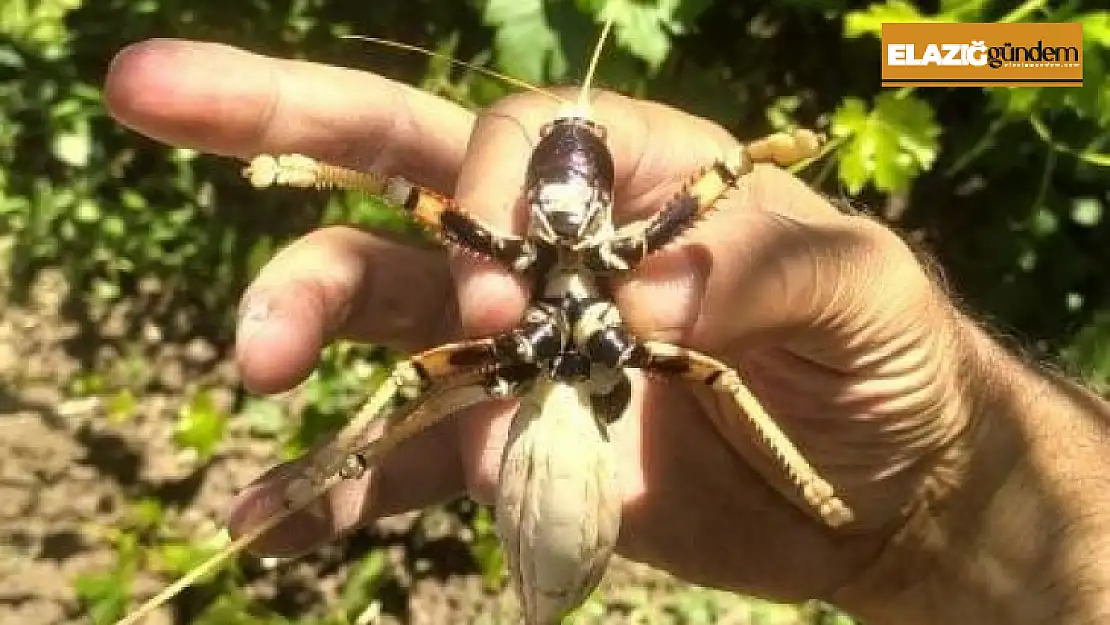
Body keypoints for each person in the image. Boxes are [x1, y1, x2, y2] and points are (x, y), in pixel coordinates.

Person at [104, 39, 1110, 625]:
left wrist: (946, 495)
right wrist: (952, 507)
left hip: (565, 425)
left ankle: (808, 481)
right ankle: (320, 473)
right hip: (558, 409)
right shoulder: (533, 258)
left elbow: (713, 188)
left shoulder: (633, 265)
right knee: (415, 386)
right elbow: (408, 194)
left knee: (688, 365)